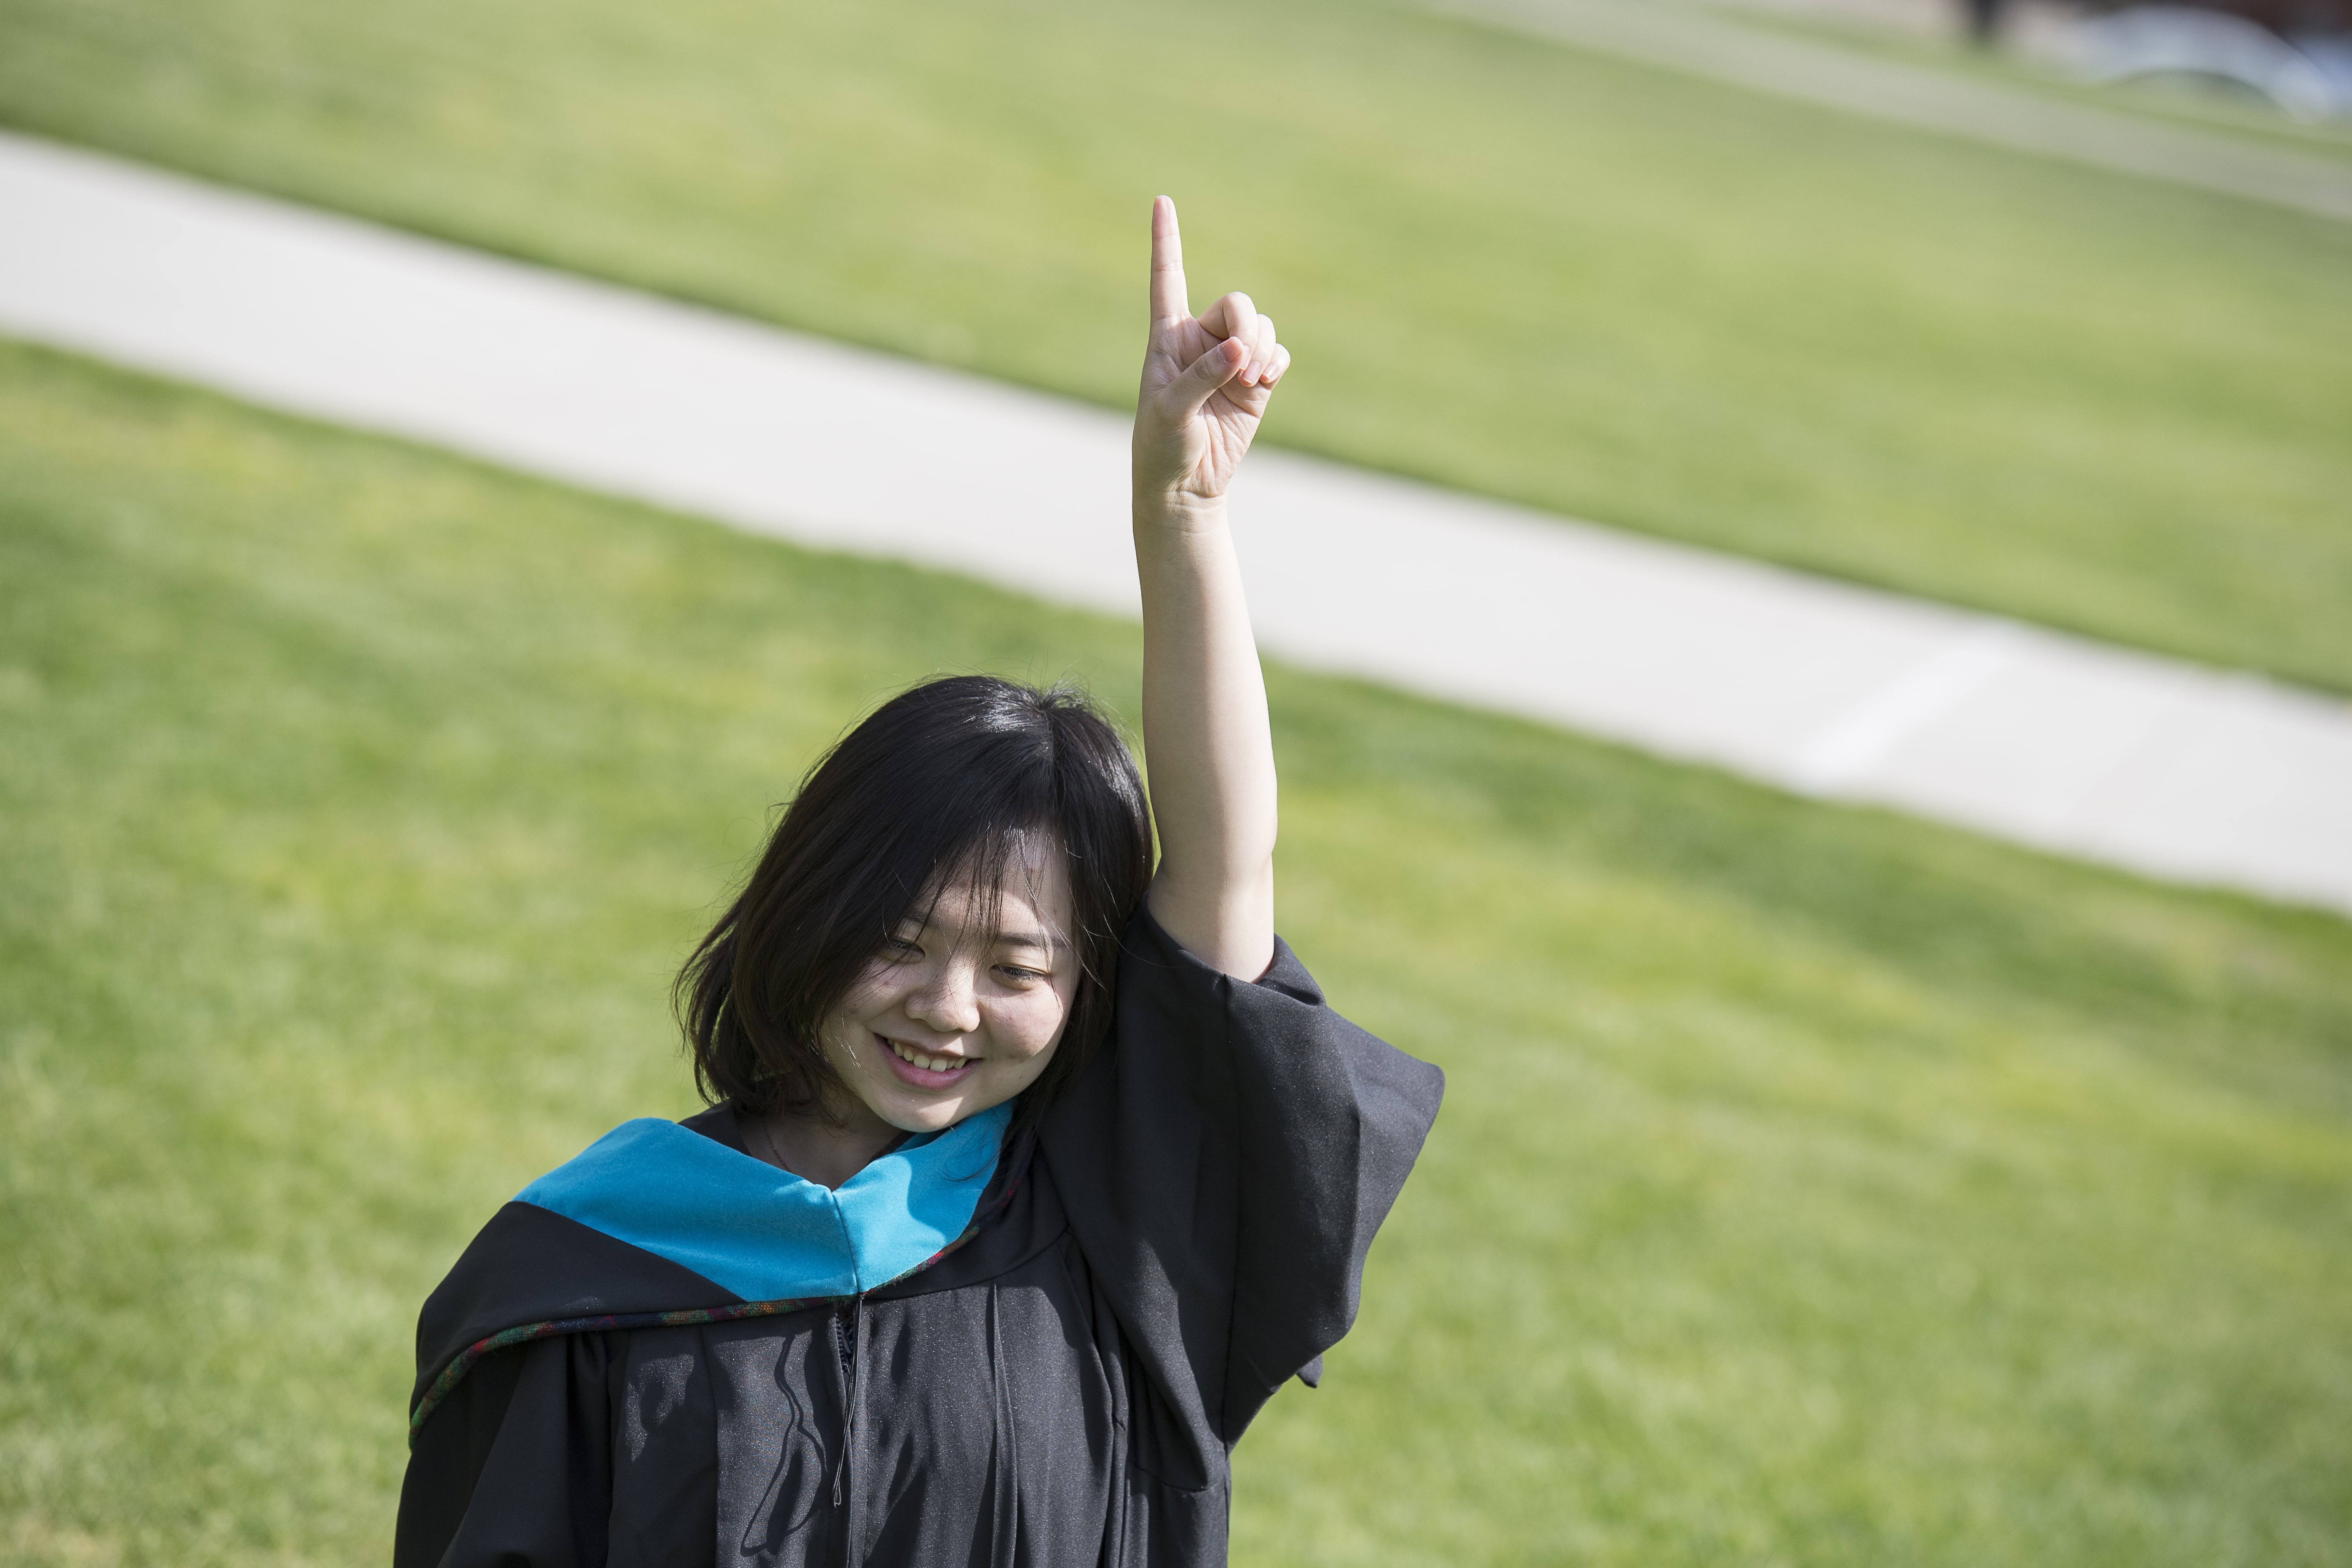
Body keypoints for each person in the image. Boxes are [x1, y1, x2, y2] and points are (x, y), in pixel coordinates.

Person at [395, 196, 1445, 1568]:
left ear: (1089, 989)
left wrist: (1182, 510)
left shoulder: (1108, 1218)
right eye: (900, 942)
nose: (950, 1008)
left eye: (1020, 967)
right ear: (808, 923)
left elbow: (1224, 880)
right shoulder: (596, 1270)